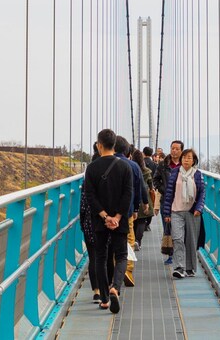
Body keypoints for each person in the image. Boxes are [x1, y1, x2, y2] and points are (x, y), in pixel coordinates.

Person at [83, 129, 132, 314]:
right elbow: (128, 194)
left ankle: (104, 298)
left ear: (99, 145)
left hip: (99, 221)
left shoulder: (92, 168)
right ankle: (115, 288)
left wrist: (105, 216)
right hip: (120, 222)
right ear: (115, 145)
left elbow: (89, 195)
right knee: (121, 256)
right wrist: (118, 217)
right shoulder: (125, 166)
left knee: (101, 257)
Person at [161, 148, 206, 278]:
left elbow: (202, 193)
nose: (186, 160)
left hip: (192, 213)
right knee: (178, 238)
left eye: (189, 158)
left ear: (194, 161)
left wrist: (199, 208)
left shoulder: (197, 174)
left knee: (191, 241)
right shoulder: (175, 173)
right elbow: (169, 194)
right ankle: (179, 267)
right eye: (184, 157)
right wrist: (167, 213)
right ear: (181, 159)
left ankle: (190, 268)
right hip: (176, 211)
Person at [114, 136, 146, 287]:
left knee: (111, 240)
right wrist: (136, 208)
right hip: (127, 210)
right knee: (129, 238)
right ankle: (128, 268)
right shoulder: (134, 166)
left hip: (107, 213)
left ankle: (114, 267)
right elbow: (138, 188)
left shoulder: (101, 163)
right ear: (127, 151)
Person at [79, 144, 102, 303]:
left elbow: (83, 205)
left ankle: (96, 290)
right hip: (108, 223)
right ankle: (109, 289)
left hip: (89, 223)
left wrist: (82, 223)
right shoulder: (111, 180)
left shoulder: (87, 183)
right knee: (105, 256)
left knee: (93, 256)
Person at [131, 149, 156, 249]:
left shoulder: (130, 168)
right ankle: (138, 241)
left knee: (133, 221)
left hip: (133, 197)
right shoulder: (146, 171)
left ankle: (132, 240)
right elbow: (151, 185)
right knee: (142, 221)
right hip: (144, 197)